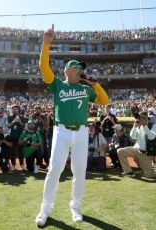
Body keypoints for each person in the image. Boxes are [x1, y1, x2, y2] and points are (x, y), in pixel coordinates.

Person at [35, 24, 108, 226]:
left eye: (82, 69)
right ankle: (45, 209)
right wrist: (46, 45)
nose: (81, 71)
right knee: (55, 168)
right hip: (62, 131)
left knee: (79, 171)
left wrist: (95, 84)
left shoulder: (86, 89)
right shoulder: (58, 84)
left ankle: (75, 206)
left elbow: (104, 101)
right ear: (68, 70)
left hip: (82, 133)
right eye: (78, 67)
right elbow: (44, 68)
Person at [117, 112, 156, 178]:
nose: (140, 119)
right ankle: (129, 172)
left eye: (143, 117)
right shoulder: (138, 125)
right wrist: (134, 126)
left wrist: (145, 126)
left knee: (148, 175)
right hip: (136, 150)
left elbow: (152, 137)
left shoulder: (153, 125)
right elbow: (132, 136)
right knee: (120, 151)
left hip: (146, 154)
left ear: (147, 118)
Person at [7, 105, 26, 171]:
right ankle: (13, 165)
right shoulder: (10, 117)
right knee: (12, 152)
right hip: (12, 136)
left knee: (21, 152)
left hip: (20, 137)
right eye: (13, 109)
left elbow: (24, 126)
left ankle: (22, 165)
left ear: (18, 110)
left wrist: (19, 121)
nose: (15, 110)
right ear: (12, 110)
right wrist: (14, 121)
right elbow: (9, 126)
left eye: (16, 109)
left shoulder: (22, 117)